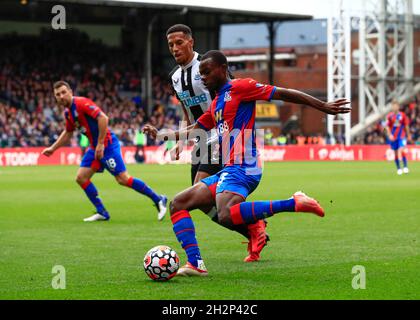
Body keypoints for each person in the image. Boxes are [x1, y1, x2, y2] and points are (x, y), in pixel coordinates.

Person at [143, 50, 351, 276]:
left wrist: (322, 105)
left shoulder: (241, 87)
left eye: (207, 72)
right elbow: (196, 130)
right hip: (231, 167)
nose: (202, 77)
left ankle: (293, 203)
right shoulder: (216, 103)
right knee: (179, 203)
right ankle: (196, 264)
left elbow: (284, 93)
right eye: (200, 73)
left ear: (223, 69)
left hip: (245, 163)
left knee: (225, 213)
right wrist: (162, 135)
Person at [165, 24, 269, 260]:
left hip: (220, 139)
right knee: (201, 202)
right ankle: (253, 226)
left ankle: (199, 259)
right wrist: (180, 141)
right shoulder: (174, 77)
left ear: (191, 42)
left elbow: (232, 94)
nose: (175, 48)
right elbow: (186, 111)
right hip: (200, 139)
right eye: (171, 45)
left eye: (179, 42)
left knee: (192, 197)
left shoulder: (206, 67)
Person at [42, 81, 167, 222]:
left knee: (123, 179)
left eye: (64, 92)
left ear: (70, 92)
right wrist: (53, 148)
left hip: (107, 145)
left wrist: (101, 143)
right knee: (81, 177)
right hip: (94, 147)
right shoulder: (68, 113)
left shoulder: (82, 103)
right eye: (58, 94)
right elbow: (68, 133)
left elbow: (103, 118)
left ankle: (159, 199)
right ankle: (102, 212)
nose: (61, 96)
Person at [385, 100, 411, 175]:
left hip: (401, 136)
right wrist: (389, 135)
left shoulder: (402, 115)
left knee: (401, 149)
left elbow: (406, 125)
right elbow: (387, 127)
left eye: (395, 105)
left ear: (398, 107)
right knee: (396, 153)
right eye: (393, 106)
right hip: (393, 137)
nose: (394, 107)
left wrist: (408, 135)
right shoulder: (389, 116)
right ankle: (399, 168)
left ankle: (405, 167)